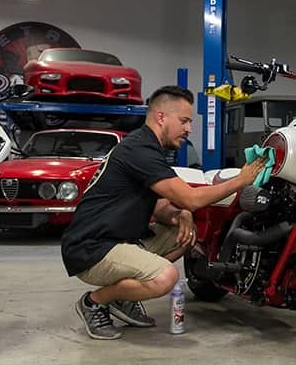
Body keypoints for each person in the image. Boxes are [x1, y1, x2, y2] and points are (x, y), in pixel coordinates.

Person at [61, 85, 265, 340]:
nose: (189, 129)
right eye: (184, 121)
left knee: (187, 235)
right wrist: (241, 180)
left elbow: (158, 206)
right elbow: (190, 198)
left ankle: (123, 298)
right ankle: (94, 302)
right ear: (160, 117)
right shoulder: (139, 150)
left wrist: (181, 215)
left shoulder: (146, 146)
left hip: (119, 239)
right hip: (91, 248)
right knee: (166, 278)